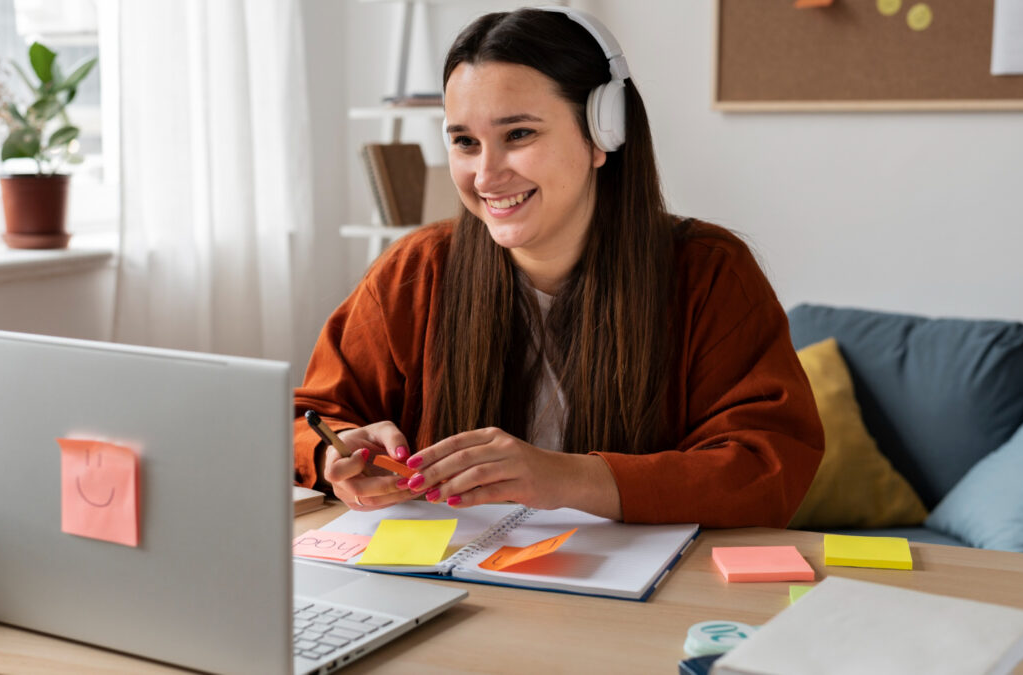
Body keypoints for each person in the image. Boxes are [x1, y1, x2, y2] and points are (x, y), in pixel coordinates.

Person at [294, 8, 823, 526]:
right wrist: (331, 456)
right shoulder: (416, 270)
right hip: (461, 591)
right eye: (465, 142)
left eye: (519, 134)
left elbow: (770, 464)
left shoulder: (709, 272)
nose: (485, 174)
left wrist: (568, 478)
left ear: (602, 134)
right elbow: (304, 418)